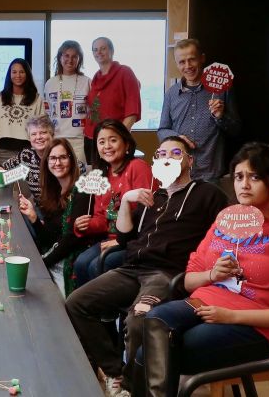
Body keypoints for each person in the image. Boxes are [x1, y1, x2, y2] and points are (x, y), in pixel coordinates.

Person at [138, 143, 269, 397]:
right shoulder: (226, 219)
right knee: (156, 320)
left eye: (255, 177)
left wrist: (231, 316)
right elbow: (190, 279)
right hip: (205, 303)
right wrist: (213, 274)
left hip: (259, 326)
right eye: (238, 176)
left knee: (153, 354)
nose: (244, 185)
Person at [66, 137, 228, 397]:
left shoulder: (208, 193)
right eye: (161, 153)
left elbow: (226, 234)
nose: (167, 157)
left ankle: (131, 389)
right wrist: (129, 199)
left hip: (167, 274)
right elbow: (124, 238)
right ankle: (116, 372)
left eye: (176, 153)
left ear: (190, 160)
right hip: (132, 268)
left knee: (138, 320)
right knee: (76, 303)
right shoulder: (155, 196)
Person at [73, 119, 152, 286]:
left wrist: (120, 241)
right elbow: (102, 218)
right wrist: (84, 225)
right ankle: (83, 310)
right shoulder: (102, 175)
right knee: (80, 263)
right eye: (101, 142)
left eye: (113, 140)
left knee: (97, 266)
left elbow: (147, 215)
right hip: (109, 238)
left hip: (135, 242)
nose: (107, 146)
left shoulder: (137, 167)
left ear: (126, 144)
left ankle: (104, 311)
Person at [158, 38, 240, 182]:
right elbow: (162, 130)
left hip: (211, 173)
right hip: (179, 171)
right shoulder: (171, 94)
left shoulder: (221, 89)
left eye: (192, 60)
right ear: (177, 64)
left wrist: (221, 117)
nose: (187, 66)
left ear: (202, 58)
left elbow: (236, 129)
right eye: (182, 62)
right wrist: (177, 137)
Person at [18, 139, 92, 297]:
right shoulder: (53, 192)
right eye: (53, 158)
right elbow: (48, 239)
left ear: (72, 160)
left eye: (63, 157)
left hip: (68, 263)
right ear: (46, 163)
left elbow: (71, 240)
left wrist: (42, 263)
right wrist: (34, 218)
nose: (57, 162)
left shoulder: (82, 190)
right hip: (53, 258)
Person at [83, 37, 141, 163]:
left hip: (112, 142)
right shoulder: (95, 78)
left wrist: (119, 138)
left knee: (115, 178)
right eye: (95, 50)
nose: (99, 52)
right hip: (91, 139)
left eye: (103, 48)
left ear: (112, 50)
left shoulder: (125, 72)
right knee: (97, 180)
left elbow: (132, 112)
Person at [0, 58, 44, 165]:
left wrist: (39, 154)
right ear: (9, 75)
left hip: (27, 153)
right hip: (3, 152)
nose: (18, 75)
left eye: (22, 72)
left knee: (24, 182)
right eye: (14, 72)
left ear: (27, 74)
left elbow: (41, 129)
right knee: (3, 182)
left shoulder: (37, 99)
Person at [44, 40, 91, 165]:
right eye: (66, 56)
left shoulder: (87, 82)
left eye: (74, 56)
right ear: (60, 57)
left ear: (79, 60)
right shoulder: (50, 83)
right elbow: (47, 114)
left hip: (79, 140)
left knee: (79, 179)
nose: (70, 60)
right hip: (57, 140)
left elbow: (93, 112)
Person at [0, 114, 55, 204]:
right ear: (29, 138)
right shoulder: (26, 155)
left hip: (61, 210)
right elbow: (3, 167)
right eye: (33, 134)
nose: (38, 137)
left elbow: (79, 168)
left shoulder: (60, 154)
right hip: (39, 208)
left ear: (52, 135)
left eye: (43, 132)